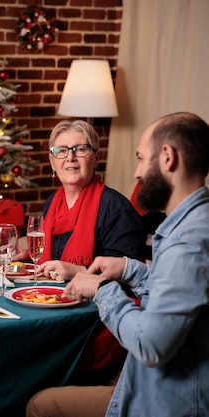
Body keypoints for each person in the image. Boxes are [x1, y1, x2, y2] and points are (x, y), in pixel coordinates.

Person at [26, 111, 209, 417]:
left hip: (161, 398)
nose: (137, 173)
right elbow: (177, 287)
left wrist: (100, 287)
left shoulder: (185, 242)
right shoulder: (186, 225)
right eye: (61, 151)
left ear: (167, 157)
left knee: (36, 402)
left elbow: (150, 345)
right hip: (148, 381)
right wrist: (129, 268)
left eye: (140, 158)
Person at [20, 120, 146, 382]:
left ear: (95, 157)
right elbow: (46, 258)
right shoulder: (52, 203)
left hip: (95, 323)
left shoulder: (115, 208)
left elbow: (132, 282)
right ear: (52, 161)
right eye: (61, 151)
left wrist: (75, 271)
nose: (70, 158)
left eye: (80, 149)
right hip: (56, 309)